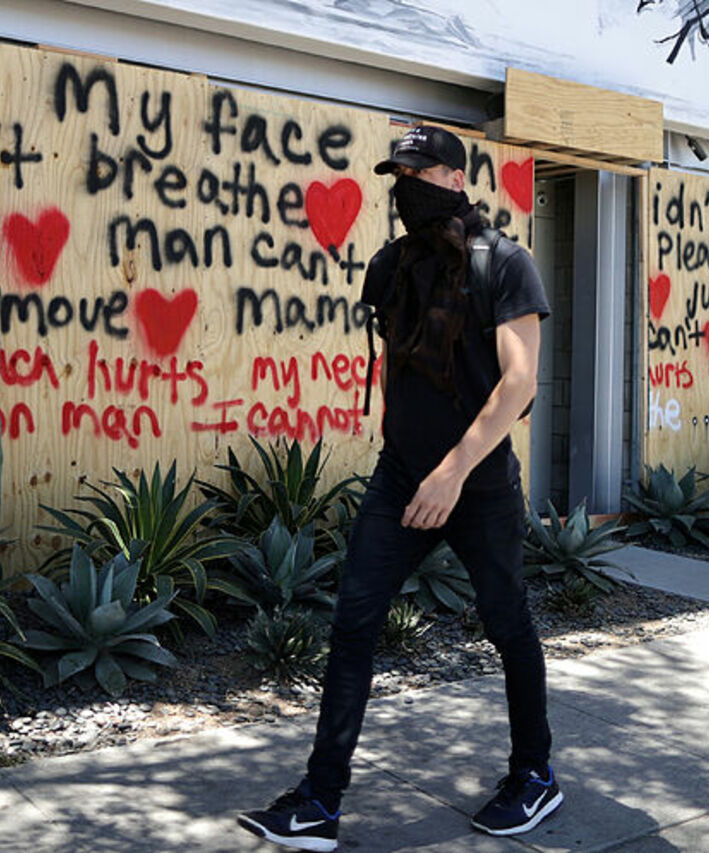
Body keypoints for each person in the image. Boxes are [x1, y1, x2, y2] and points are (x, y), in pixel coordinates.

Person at [237, 125, 560, 852]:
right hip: (399, 479)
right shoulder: (392, 267)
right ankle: (320, 800)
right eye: (397, 171)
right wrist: (415, 465)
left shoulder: (505, 264)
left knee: (508, 625)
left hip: (475, 485)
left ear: (454, 179)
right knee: (353, 623)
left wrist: (452, 471)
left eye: (417, 170)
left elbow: (520, 384)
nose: (403, 183)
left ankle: (535, 773)